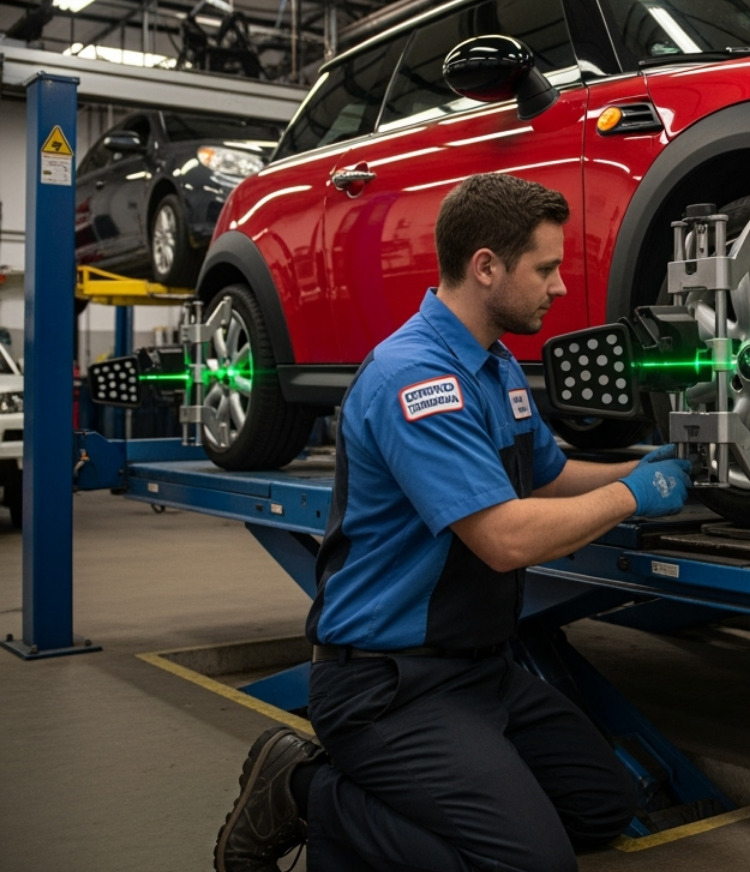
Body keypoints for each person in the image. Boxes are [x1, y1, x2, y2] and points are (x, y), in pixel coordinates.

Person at [214, 173, 693, 872]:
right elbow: (502, 539)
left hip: (478, 672)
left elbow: (552, 477)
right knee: (533, 865)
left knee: (603, 806)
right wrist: (633, 498)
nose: (559, 287)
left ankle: (446, 792)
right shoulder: (417, 378)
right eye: (546, 268)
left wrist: (644, 470)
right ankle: (303, 789)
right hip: (385, 687)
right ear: (486, 267)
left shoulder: (494, 367)